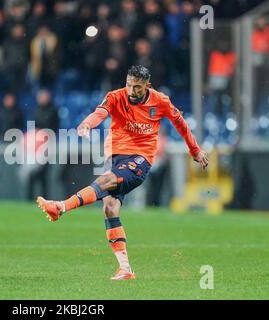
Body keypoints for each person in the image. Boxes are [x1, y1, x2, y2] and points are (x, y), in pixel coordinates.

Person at [36, 65, 209, 281]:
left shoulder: (160, 101)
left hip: (140, 160)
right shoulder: (115, 97)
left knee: (106, 180)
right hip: (115, 159)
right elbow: (99, 113)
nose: (131, 91)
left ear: (148, 85)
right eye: (128, 85)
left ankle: (60, 206)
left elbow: (180, 124)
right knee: (109, 208)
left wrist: (195, 150)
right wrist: (86, 124)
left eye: (137, 87)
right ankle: (125, 269)